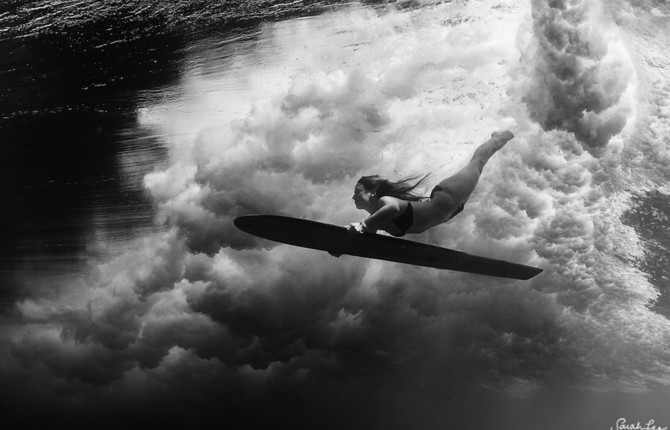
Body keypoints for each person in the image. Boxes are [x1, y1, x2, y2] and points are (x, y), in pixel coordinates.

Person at [348, 130, 514, 237]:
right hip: (450, 211)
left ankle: (501, 136)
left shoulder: (385, 202)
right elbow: (366, 240)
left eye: (357, 191)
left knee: (478, 163)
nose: (353, 196)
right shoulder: (375, 220)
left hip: (448, 196)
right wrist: (341, 247)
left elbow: (393, 209)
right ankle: (501, 137)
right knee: (478, 164)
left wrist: (363, 224)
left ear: (373, 191)